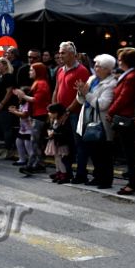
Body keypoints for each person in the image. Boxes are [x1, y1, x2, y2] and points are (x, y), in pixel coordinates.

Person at [107, 48, 135, 195]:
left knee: (131, 154)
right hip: (126, 117)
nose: (118, 61)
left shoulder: (132, 76)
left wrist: (111, 111)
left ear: (125, 61)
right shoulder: (130, 74)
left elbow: (124, 97)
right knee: (130, 153)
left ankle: (134, 183)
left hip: (127, 118)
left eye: (120, 58)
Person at [75, 54, 117, 188]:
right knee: (93, 151)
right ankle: (97, 177)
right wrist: (81, 92)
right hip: (87, 119)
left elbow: (102, 104)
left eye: (99, 66)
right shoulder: (92, 79)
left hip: (101, 123)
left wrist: (86, 93)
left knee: (104, 152)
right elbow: (80, 100)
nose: (96, 68)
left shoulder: (111, 83)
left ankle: (105, 180)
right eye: (96, 65)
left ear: (107, 69)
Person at [52, 41, 91, 184]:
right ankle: (65, 172)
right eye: (60, 52)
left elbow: (81, 95)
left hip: (75, 114)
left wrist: (68, 111)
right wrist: (53, 109)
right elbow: (56, 89)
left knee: (78, 145)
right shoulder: (60, 70)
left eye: (63, 53)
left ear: (73, 54)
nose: (60, 55)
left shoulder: (82, 71)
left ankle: (81, 174)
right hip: (61, 113)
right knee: (63, 144)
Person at [0, 57, 18, 160]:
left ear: (6, 65)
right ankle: (7, 148)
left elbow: (9, 91)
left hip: (6, 107)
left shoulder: (8, 77)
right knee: (3, 128)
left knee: (7, 129)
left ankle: (9, 150)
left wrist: (2, 103)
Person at [45, 103, 73, 184]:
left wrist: (54, 134)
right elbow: (50, 128)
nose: (49, 114)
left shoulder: (64, 120)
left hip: (61, 143)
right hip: (55, 142)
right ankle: (59, 173)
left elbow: (65, 133)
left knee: (61, 160)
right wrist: (50, 132)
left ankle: (64, 175)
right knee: (56, 159)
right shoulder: (54, 120)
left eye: (51, 112)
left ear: (57, 112)